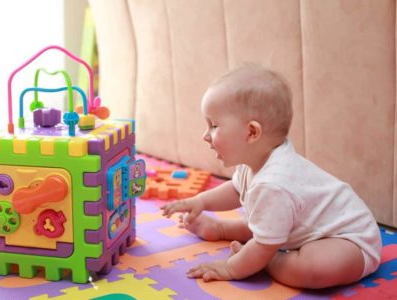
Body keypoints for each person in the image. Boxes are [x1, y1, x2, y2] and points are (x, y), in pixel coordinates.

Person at [160, 64, 382, 289]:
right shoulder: (258, 161)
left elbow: (267, 241)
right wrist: (201, 201)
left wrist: (232, 267)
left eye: (214, 125)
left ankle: (269, 261)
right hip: (303, 230)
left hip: (350, 241)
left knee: (313, 269)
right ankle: (223, 230)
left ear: (252, 132)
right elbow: (236, 190)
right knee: (264, 220)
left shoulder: (274, 183)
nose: (206, 136)